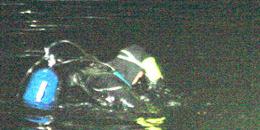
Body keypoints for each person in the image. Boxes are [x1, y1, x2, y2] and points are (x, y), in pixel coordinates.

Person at [23, 40, 165, 111]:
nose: (138, 79)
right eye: (140, 75)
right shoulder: (114, 84)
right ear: (133, 69)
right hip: (49, 115)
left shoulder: (97, 67)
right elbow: (142, 111)